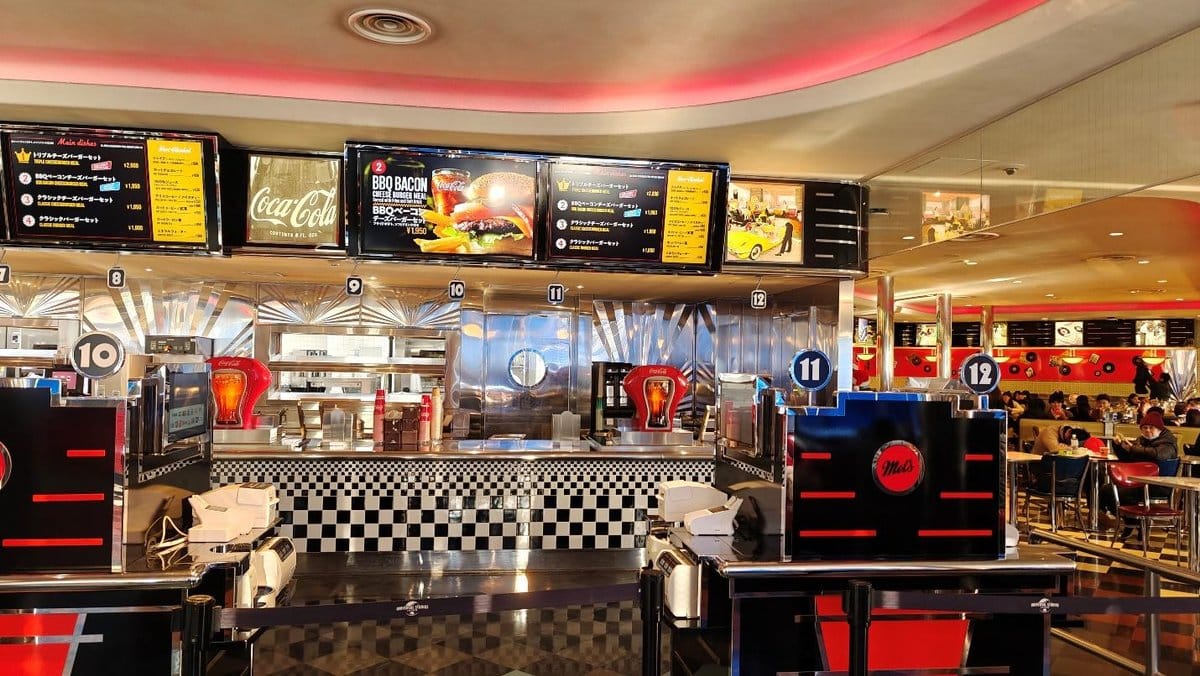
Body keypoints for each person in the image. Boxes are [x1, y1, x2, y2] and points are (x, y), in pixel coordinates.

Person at [1103, 410, 1179, 539]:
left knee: (1118, 493)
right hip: (1139, 482)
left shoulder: (1168, 443)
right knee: (1107, 490)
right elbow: (1129, 461)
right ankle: (1133, 522)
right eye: (1144, 428)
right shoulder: (1142, 440)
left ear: (1159, 428)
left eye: (1151, 428)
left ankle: (1135, 523)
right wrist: (1119, 447)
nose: (1148, 430)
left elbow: (1159, 454)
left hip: (1158, 485)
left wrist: (1133, 448)